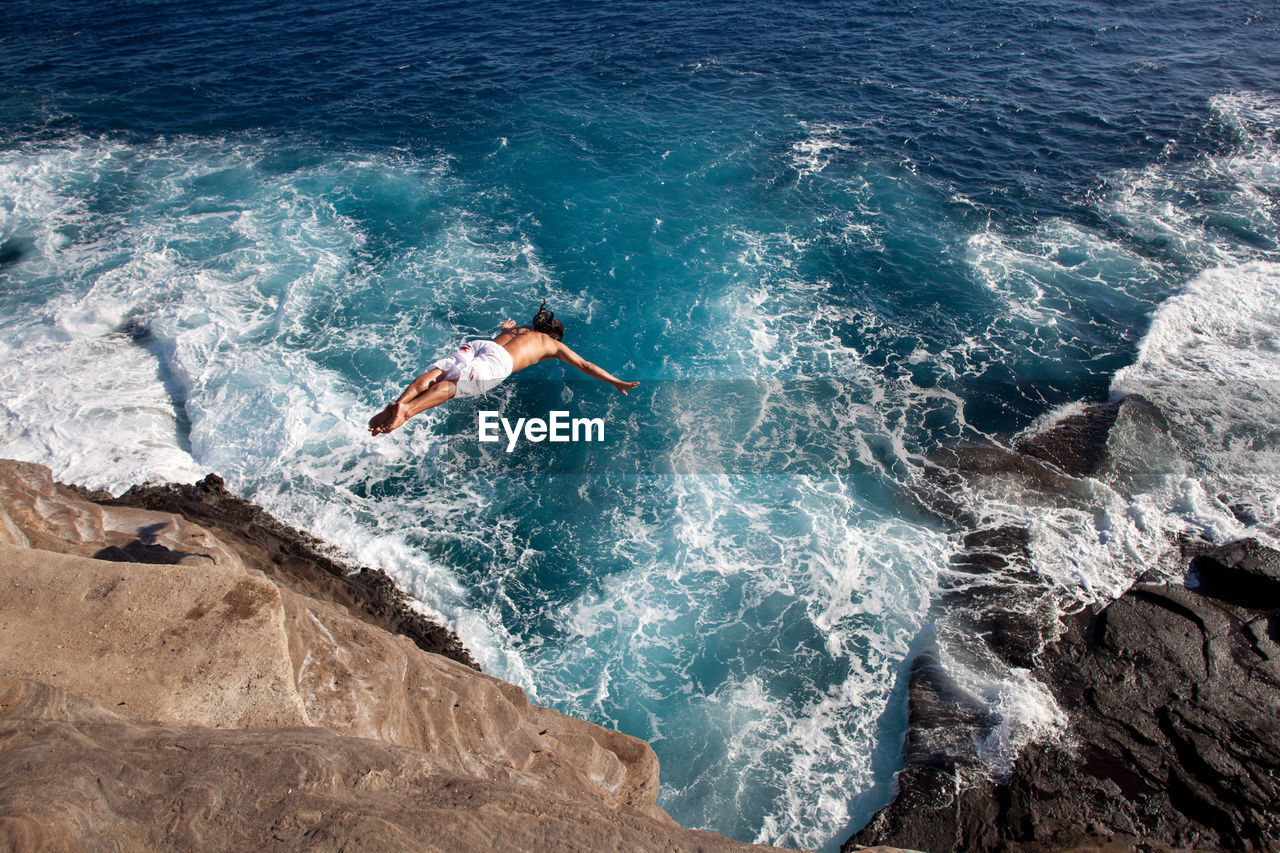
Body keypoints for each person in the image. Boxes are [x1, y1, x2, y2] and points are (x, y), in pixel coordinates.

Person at [368, 302, 639, 435]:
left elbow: (508, 339)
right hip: (497, 364)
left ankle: (400, 400)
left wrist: (504, 331)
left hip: (482, 346)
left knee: (437, 374)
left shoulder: (519, 330)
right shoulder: (551, 344)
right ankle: (406, 411)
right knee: (450, 387)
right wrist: (616, 382)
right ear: (554, 336)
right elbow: (584, 364)